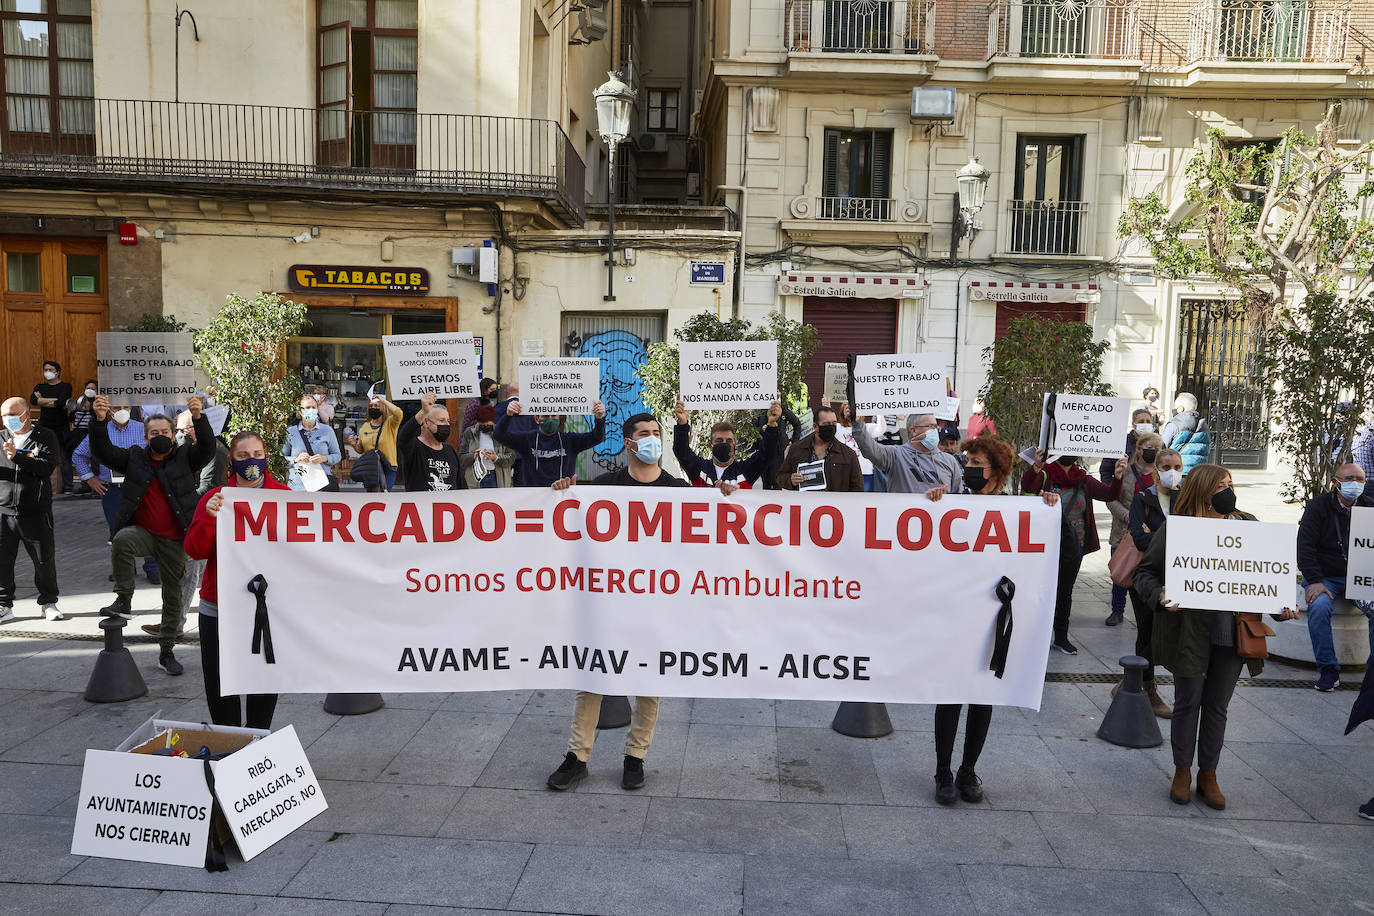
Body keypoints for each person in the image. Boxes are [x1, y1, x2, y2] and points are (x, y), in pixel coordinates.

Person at [1133, 464, 1300, 809]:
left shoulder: (1249, 525)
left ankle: (1209, 773)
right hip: (1189, 632)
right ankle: (1182, 770)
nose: (1228, 490)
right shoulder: (1178, 530)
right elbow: (1144, 574)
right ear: (1203, 491)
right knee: (1187, 701)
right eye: (1221, 485)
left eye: (1231, 484)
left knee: (1217, 706)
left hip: (1234, 632)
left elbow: (1264, 577)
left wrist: (1280, 606)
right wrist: (1160, 595)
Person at [546, 411, 693, 793]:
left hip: (656, 604)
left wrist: (725, 496)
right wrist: (565, 491)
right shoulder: (605, 486)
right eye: (644, 434)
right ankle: (577, 757)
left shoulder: (678, 490)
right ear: (628, 443)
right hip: (608, 605)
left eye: (656, 433)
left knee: (649, 681)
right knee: (592, 677)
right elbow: (570, 518)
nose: (652, 440)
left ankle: (635, 757)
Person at [924, 436, 1058, 804]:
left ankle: (968, 770)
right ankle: (943, 771)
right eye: (967, 462)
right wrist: (933, 501)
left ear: (997, 473)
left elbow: (1052, 555)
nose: (968, 469)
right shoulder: (950, 505)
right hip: (957, 619)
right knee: (951, 695)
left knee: (983, 696)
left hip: (994, 620)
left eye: (977, 464)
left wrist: (1049, 508)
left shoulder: (1020, 511)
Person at [89, 394, 214, 677]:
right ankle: (124, 599)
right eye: (155, 433)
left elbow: (206, 448)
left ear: (173, 435)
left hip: (175, 540)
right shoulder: (134, 458)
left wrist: (198, 416)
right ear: (146, 438)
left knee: (173, 598)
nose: (160, 436)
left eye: (165, 432)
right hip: (144, 534)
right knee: (121, 540)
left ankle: (166, 651)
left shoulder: (184, 457)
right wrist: (98, 422)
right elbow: (104, 451)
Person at [183, 430, 284, 728]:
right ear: (231, 460)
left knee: (263, 677)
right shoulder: (215, 499)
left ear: (266, 455)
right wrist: (210, 520)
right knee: (220, 683)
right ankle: (228, 741)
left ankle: (258, 737)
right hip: (219, 607)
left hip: (267, 608)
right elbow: (194, 549)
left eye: (256, 455)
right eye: (242, 456)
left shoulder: (285, 498)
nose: (250, 462)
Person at [1023, 450, 1125, 655]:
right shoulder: (1045, 473)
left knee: (1065, 593)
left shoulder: (1084, 479)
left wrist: (1118, 476)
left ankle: (1061, 637)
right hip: (1045, 547)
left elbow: (1109, 494)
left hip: (1074, 546)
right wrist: (1035, 468)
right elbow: (1027, 487)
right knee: (1042, 593)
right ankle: (1035, 638)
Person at [141, 409, 228, 639]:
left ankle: (173, 625)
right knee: (181, 574)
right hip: (191, 519)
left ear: (194, 429)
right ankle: (171, 622)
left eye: (183, 430)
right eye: (177, 431)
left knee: (189, 574)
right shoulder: (184, 452)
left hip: (205, 520)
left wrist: (177, 501)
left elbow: (208, 487)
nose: (179, 435)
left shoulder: (215, 452)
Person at [1297, 463, 1374, 691]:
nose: (1355, 484)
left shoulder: (1371, 509)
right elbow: (1305, 546)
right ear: (1335, 482)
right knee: (1319, 607)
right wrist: (1315, 580)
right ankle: (1328, 670)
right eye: (1349, 478)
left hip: (1360, 578)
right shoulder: (1318, 507)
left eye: (1360, 479)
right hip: (1325, 577)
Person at [1124, 447, 1184, 718]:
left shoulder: (1184, 500)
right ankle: (1147, 688)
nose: (1173, 472)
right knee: (1146, 634)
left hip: (1176, 575)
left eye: (1178, 467)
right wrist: (1169, 537)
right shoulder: (1143, 499)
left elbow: (1193, 537)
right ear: (1156, 469)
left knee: (1167, 634)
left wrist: (1156, 534)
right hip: (1146, 576)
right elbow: (1139, 539)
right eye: (1167, 466)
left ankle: (1130, 682)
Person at [72, 402, 161, 582]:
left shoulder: (144, 429)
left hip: (143, 488)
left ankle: (153, 568)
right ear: (109, 410)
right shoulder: (100, 431)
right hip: (113, 490)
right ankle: (124, 568)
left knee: (149, 526)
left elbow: (160, 453)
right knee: (117, 530)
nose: (122, 411)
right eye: (117, 407)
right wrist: (90, 478)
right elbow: (78, 455)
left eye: (126, 407)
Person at [0, 397, 63, 622]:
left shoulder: (44, 437)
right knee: (3, 560)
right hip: (4, 512)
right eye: (4, 415)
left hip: (35, 512)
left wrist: (17, 457)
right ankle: (4, 605)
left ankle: (48, 602)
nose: (8, 420)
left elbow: (46, 467)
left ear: (26, 414)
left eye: (12, 414)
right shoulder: (1, 438)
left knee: (43, 560)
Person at [1104, 431, 1162, 626]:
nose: (1154, 452)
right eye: (1150, 448)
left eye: (1158, 449)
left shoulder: (1162, 474)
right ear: (1139, 449)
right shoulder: (1125, 472)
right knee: (1121, 570)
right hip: (1124, 531)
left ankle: (1145, 611)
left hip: (1151, 534)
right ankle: (1117, 610)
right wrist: (1127, 516)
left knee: (1147, 573)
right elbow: (1111, 499)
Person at [494, 397, 606, 488]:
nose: (550, 419)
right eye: (546, 416)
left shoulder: (570, 440)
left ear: (559, 418)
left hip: (562, 497)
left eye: (554, 416)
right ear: (537, 419)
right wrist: (508, 415)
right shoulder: (526, 440)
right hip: (534, 498)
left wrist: (599, 418)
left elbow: (597, 438)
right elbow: (499, 435)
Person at [673, 396, 781, 487]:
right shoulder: (700, 469)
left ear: (734, 444)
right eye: (719, 440)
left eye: (729, 441)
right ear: (711, 446)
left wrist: (771, 424)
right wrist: (682, 422)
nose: (724, 444)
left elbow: (767, 454)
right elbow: (681, 451)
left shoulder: (746, 470)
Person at [850, 411, 962, 496]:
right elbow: (869, 449)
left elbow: (959, 497)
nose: (935, 431)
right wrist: (856, 422)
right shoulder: (895, 455)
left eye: (936, 427)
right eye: (930, 426)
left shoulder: (949, 461)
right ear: (913, 431)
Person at [778, 405, 862, 492]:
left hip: (835, 504)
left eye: (833, 423)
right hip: (805, 504)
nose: (831, 427)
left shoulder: (848, 454)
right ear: (815, 426)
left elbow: (858, 488)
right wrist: (790, 480)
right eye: (826, 424)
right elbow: (781, 477)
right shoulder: (797, 449)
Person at [397, 391, 465, 491]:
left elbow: (461, 485)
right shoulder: (414, 447)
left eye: (448, 421)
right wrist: (423, 412)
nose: (446, 425)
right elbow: (403, 438)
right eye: (441, 420)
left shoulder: (450, 450)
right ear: (426, 422)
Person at [29, 359, 72, 494]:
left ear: (57, 372)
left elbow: (61, 403)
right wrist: (52, 400)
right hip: (44, 425)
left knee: (64, 457)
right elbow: (33, 400)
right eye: (45, 370)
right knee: (40, 454)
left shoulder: (65, 386)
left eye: (50, 370)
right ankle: (42, 485)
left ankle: (68, 487)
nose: (47, 372)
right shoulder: (40, 387)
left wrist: (43, 400)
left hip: (61, 426)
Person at [282, 394, 341, 491]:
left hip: (322, 485)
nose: (311, 410)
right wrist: (296, 459)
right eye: (307, 407)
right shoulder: (291, 432)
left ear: (317, 410)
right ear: (300, 411)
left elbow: (337, 455)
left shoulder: (327, 430)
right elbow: (281, 459)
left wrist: (324, 458)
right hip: (298, 487)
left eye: (313, 407)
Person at [347, 393, 401, 491]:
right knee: (372, 499)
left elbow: (399, 413)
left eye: (376, 406)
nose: (373, 408)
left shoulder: (390, 423)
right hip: (371, 469)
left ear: (383, 408)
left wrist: (383, 400)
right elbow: (361, 450)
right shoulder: (365, 427)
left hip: (388, 467)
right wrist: (354, 444)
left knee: (384, 495)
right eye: (371, 406)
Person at [458, 403, 515, 488]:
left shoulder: (502, 433)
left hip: (496, 477)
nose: (485, 426)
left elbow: (511, 458)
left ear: (493, 421)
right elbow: (461, 458)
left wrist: (496, 458)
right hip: (476, 478)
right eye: (482, 424)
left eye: (487, 424)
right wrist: (473, 456)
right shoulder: (469, 432)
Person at [754, 401, 802, 491]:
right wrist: (762, 429)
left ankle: (777, 502)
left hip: (778, 451)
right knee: (766, 482)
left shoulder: (783, 410)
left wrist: (794, 441)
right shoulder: (760, 410)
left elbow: (797, 424)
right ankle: (766, 502)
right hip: (763, 451)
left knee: (776, 481)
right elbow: (752, 428)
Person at [1161, 392, 1210, 474]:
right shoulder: (1204, 425)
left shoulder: (1174, 424)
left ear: (1180, 409)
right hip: (1198, 472)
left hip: (1176, 471)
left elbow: (1162, 447)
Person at [66, 379, 99, 495]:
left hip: (92, 433)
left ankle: (97, 485)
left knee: (95, 459)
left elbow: (98, 418)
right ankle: (85, 483)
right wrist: (74, 409)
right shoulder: (79, 401)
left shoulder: (99, 402)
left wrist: (90, 408)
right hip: (78, 432)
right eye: (88, 388)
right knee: (80, 458)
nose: (89, 391)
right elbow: (72, 419)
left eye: (93, 389)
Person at [459, 377, 501, 442]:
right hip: (473, 438)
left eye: (495, 389)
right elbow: (466, 423)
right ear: (484, 390)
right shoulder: (474, 403)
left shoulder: (490, 403)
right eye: (492, 389)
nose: (494, 392)